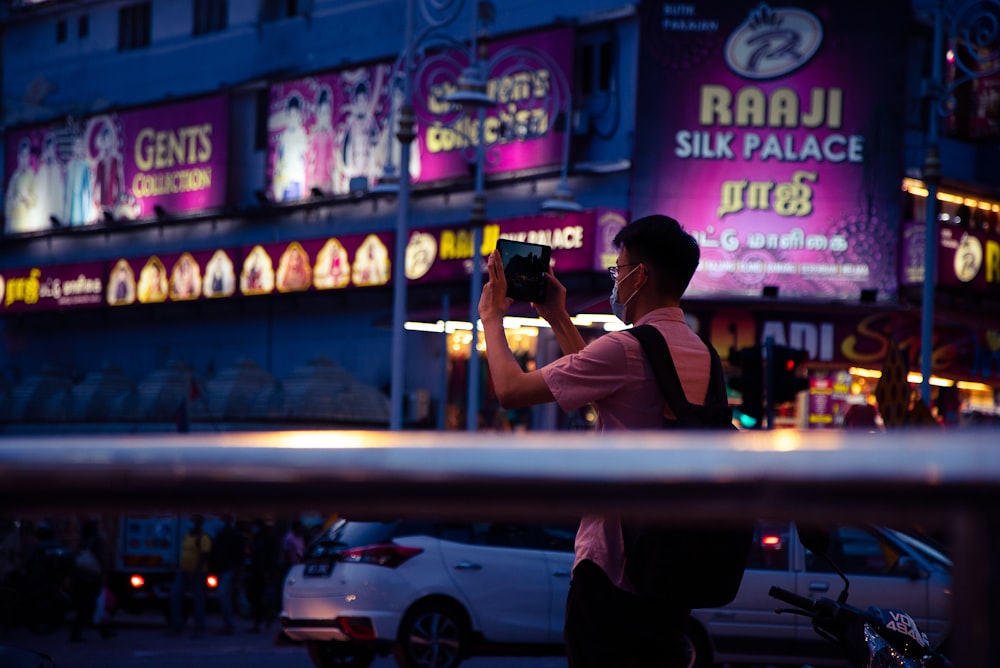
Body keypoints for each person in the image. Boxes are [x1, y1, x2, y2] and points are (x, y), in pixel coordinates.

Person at [478, 214, 709, 668]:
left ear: (640, 276)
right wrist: (558, 316)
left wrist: (490, 316)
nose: (616, 281)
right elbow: (606, 386)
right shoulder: (701, 352)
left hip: (613, 568)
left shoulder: (626, 348)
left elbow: (510, 391)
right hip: (670, 569)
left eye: (618, 270)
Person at [169, 515, 212, 638]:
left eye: (194, 522)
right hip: (183, 571)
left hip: (197, 574)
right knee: (175, 595)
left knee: (198, 601)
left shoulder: (203, 537)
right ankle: (177, 626)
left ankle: (199, 629)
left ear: (199, 524)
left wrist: (195, 572)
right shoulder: (187, 536)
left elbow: (204, 556)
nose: (191, 524)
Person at [210, 514, 246, 635]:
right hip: (225, 569)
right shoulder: (223, 534)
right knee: (226, 596)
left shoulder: (231, 534)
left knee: (224, 595)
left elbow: (239, 554)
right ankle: (229, 623)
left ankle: (230, 624)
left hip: (229, 569)